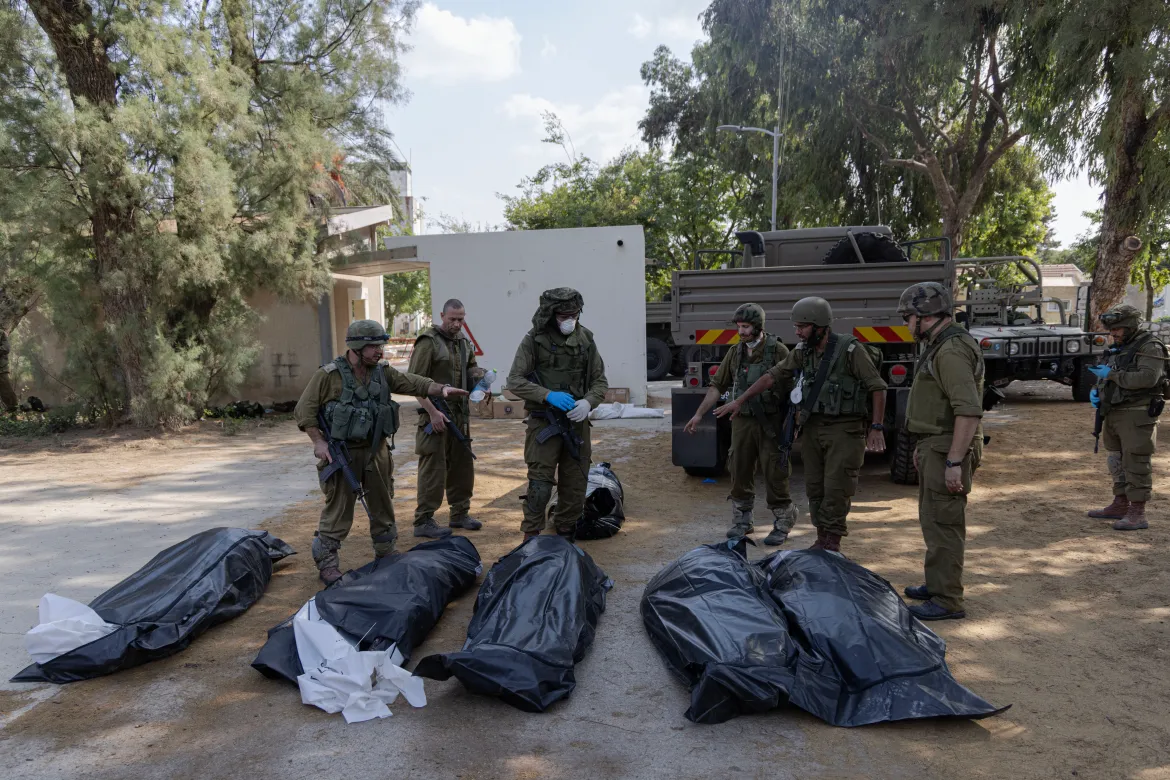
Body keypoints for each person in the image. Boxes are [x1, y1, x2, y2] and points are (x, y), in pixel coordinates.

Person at [294, 319, 468, 585]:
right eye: (374, 346)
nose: (380, 351)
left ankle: (386, 554)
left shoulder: (382, 372)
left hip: (377, 451)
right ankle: (328, 563)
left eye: (380, 345)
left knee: (383, 504)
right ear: (358, 346)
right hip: (343, 454)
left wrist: (441, 389)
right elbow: (304, 412)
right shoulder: (329, 376)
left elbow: (412, 383)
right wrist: (319, 442)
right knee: (339, 508)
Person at [715, 297, 887, 552]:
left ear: (820, 326)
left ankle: (832, 542)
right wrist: (740, 400)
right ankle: (821, 539)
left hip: (844, 429)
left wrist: (876, 427)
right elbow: (772, 376)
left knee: (837, 487)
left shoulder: (849, 350)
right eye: (796, 326)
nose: (797, 332)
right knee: (815, 487)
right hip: (814, 427)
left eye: (802, 327)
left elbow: (878, 387)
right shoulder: (802, 351)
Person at [897, 282, 984, 621]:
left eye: (908, 317)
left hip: (949, 445)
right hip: (937, 443)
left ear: (925, 316)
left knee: (945, 524)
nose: (906, 325)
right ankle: (938, 584)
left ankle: (947, 600)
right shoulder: (940, 345)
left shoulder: (949, 351)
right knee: (934, 521)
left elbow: (968, 410)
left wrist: (953, 461)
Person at [683, 303, 795, 539]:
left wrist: (792, 423)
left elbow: (793, 390)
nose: (742, 332)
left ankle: (784, 518)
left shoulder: (779, 351)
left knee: (775, 470)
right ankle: (743, 520)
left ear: (758, 326)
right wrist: (699, 413)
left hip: (771, 421)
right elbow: (717, 386)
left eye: (746, 327)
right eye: (739, 327)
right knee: (739, 467)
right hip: (742, 421)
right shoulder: (735, 353)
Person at [506, 288, 609, 541]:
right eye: (564, 315)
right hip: (544, 423)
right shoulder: (534, 340)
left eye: (574, 314)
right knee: (540, 484)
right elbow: (515, 381)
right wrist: (547, 395)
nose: (569, 320)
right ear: (551, 315)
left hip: (576, 424)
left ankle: (565, 534)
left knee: (575, 484)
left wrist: (588, 402)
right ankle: (531, 536)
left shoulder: (586, 340)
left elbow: (600, 381)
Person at [1087, 304, 1166, 531]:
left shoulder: (1150, 347)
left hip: (1137, 413)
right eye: (1112, 329)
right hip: (1113, 411)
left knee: (1136, 461)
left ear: (1130, 325)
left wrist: (1110, 375)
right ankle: (1120, 503)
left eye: (1118, 328)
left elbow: (1147, 378)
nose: (1113, 333)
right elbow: (1109, 373)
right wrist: (1098, 389)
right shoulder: (1121, 346)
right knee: (1116, 461)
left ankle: (1137, 512)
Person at [409, 298, 486, 535]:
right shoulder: (428, 342)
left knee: (462, 467)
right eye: (452, 319)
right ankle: (423, 521)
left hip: (460, 416)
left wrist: (481, 379)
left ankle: (460, 513)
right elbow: (413, 382)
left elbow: (471, 368)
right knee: (433, 469)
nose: (456, 323)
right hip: (434, 416)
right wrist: (433, 413)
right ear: (442, 316)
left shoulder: (463, 342)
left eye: (461, 319)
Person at [0, 328, 17, 413]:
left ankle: (13, 412)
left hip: (1, 369)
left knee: (6, 391)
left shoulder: (1, 333)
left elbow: (6, 348)